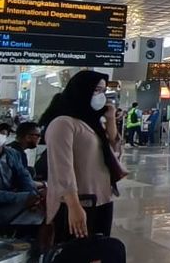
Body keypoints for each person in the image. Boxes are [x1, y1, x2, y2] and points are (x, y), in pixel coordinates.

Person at [42, 70, 126, 242]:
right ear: (82, 90)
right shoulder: (62, 123)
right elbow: (62, 168)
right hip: (75, 203)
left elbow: (113, 152)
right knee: (74, 258)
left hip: (101, 199)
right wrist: (74, 205)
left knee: (97, 257)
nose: (101, 96)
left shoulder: (91, 122)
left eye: (103, 91)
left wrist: (110, 120)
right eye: (96, 90)